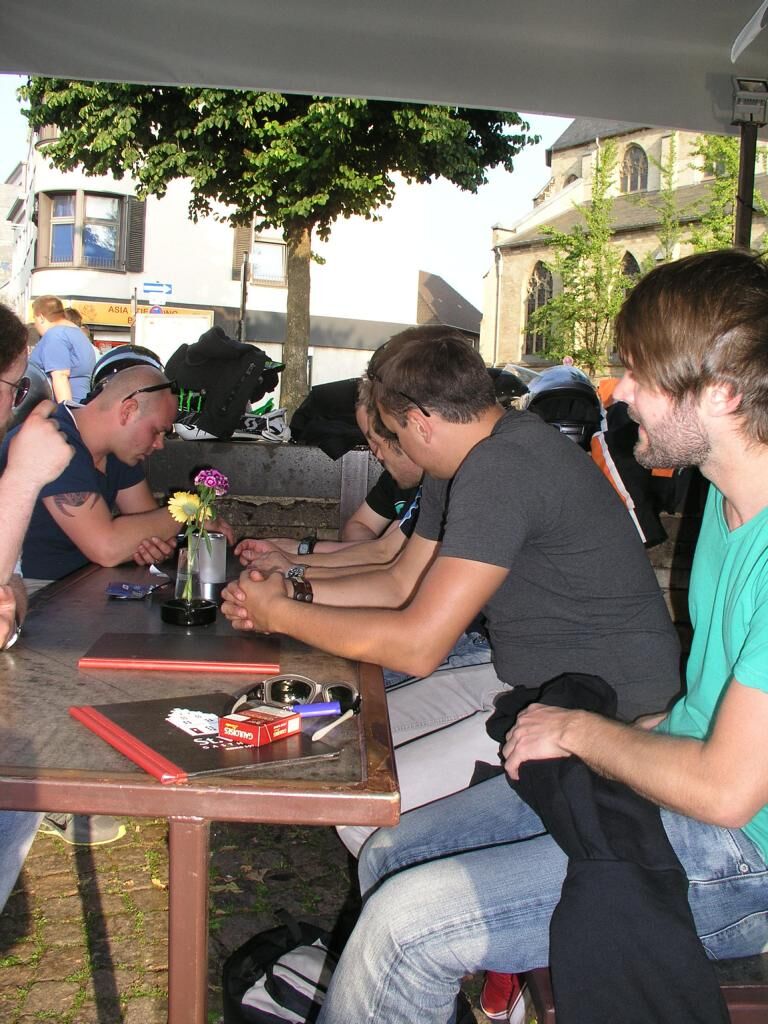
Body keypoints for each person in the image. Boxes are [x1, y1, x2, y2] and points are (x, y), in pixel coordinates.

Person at [309, 248, 768, 1023]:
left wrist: (581, 731)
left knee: (402, 926)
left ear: (721, 394)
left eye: (642, 374)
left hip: (744, 856)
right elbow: (710, 711)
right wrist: (631, 733)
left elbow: (726, 792)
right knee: (390, 853)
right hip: (667, 775)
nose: (622, 393)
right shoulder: (728, 508)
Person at [222, 328, 680, 853]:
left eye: (396, 431)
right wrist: (290, 590)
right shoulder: (463, 460)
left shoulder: (504, 465)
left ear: (420, 422)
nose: (396, 447)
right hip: (528, 676)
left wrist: (279, 613)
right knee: (347, 743)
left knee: (370, 816)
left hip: (609, 709)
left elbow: (418, 647)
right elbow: (399, 582)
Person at [0, 364, 231, 591]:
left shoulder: (120, 449)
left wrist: (150, 542)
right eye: (156, 431)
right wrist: (190, 510)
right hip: (31, 591)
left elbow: (148, 522)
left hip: (85, 585)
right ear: (128, 411)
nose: (160, 444)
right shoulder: (54, 440)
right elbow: (108, 547)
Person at [30, 295, 96, 403]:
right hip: (81, 404)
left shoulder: (55, 335)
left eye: (35, 319)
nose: (35, 325)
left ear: (41, 317)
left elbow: (60, 376)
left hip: (61, 408)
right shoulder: (78, 334)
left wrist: (65, 410)